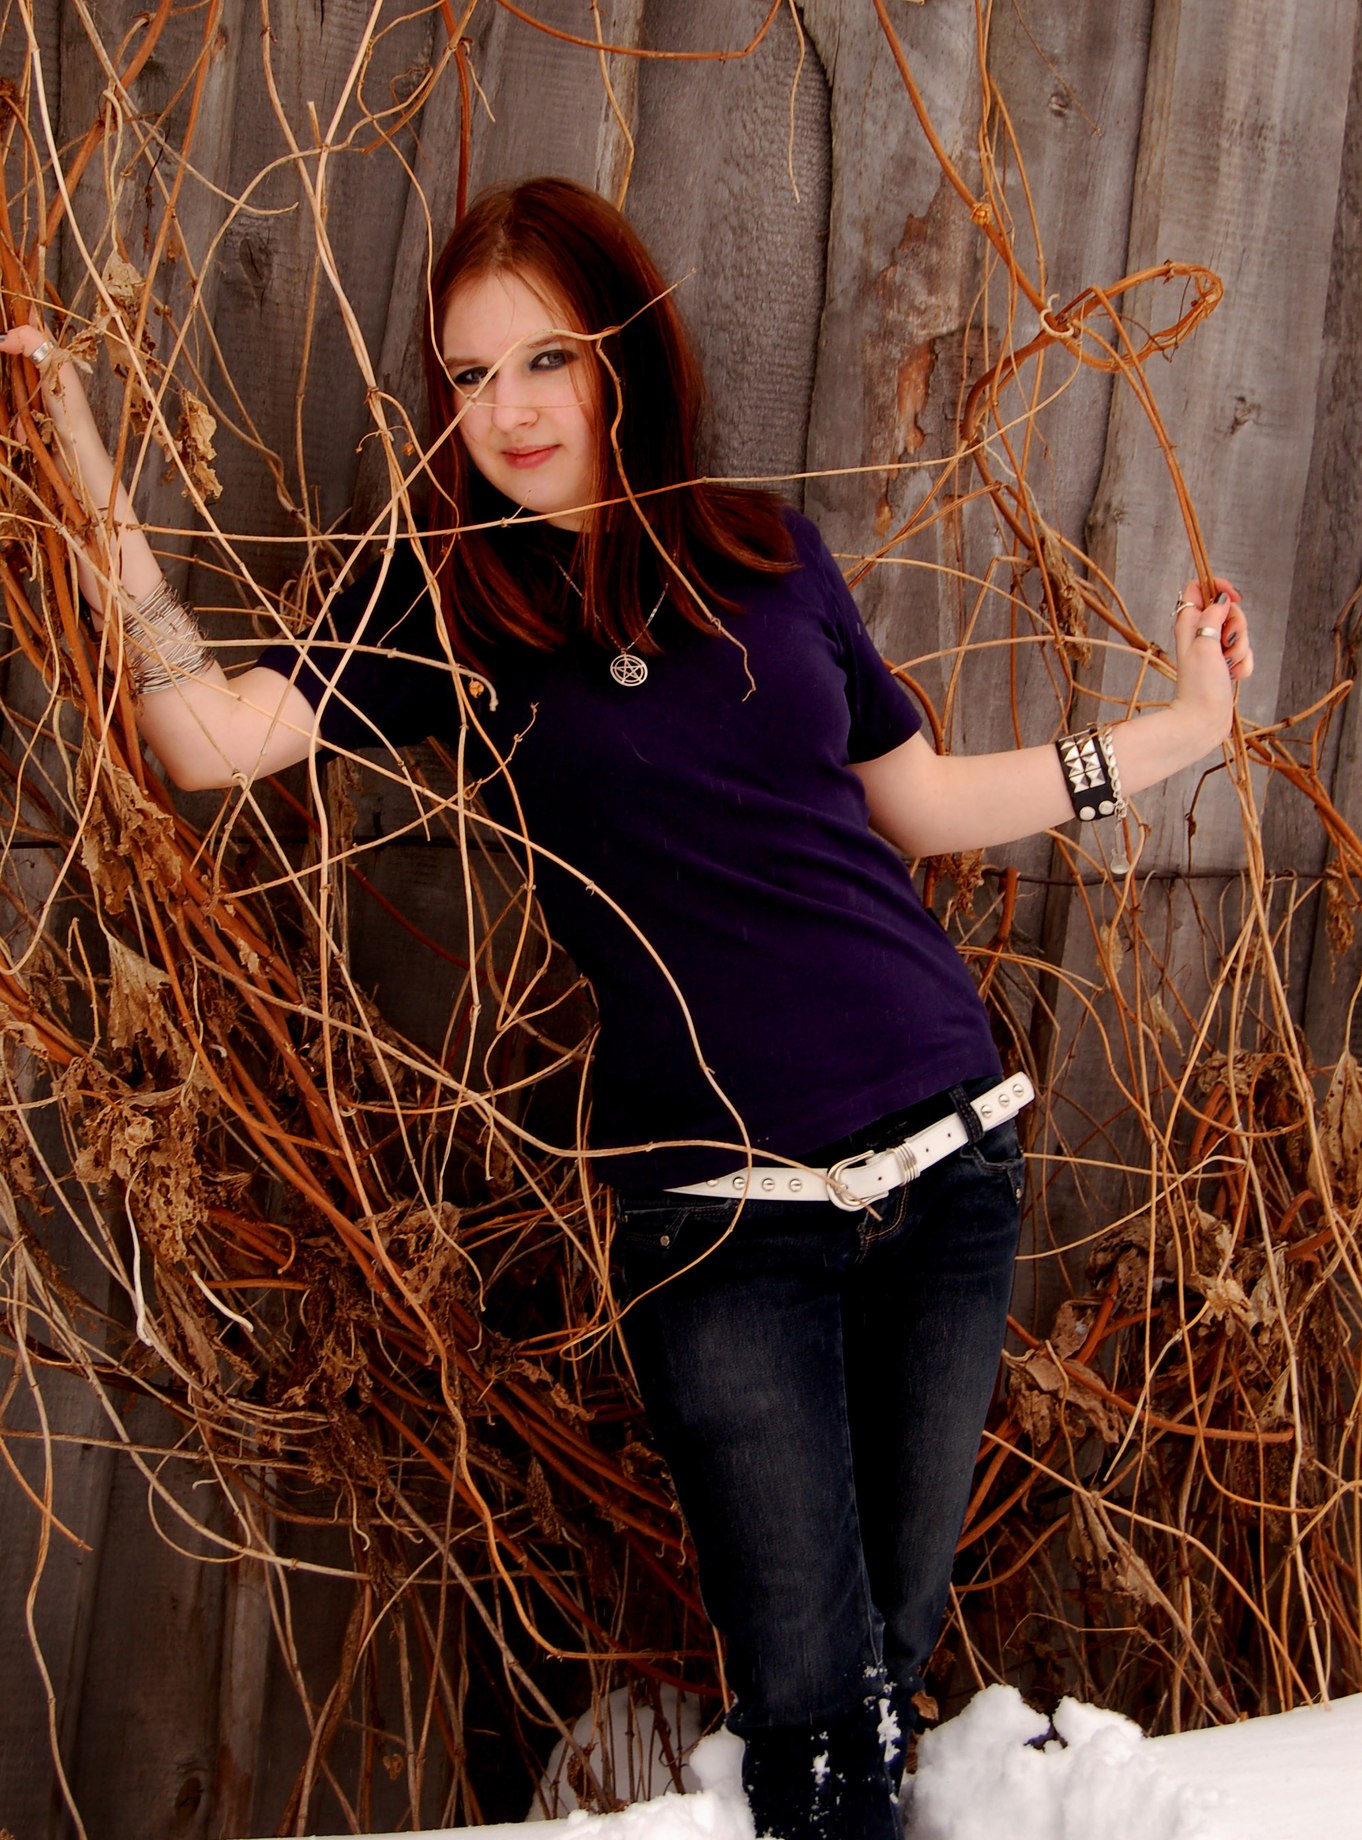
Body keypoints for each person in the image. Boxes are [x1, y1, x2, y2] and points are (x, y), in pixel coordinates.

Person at [0, 178, 1253, 1840]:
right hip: (722, 1214)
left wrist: (1181, 731)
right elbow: (207, 736)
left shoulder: (765, 551)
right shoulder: (453, 596)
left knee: (884, 1674)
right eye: (468, 376)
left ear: (622, 359)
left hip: (949, 1158)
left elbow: (925, 803)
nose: (508, 410)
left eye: (546, 360)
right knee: (810, 1716)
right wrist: (80, 470)